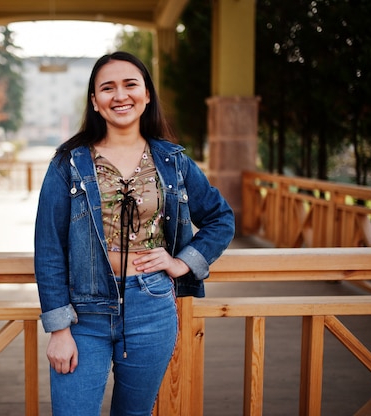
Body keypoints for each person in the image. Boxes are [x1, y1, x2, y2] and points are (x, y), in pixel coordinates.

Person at [34, 51, 235, 416]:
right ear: (95, 102)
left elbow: (221, 218)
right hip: (84, 313)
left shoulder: (173, 161)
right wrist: (58, 329)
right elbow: (49, 248)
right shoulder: (68, 164)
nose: (120, 95)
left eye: (130, 85)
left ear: (146, 95)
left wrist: (181, 263)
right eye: (107, 88)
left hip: (151, 305)